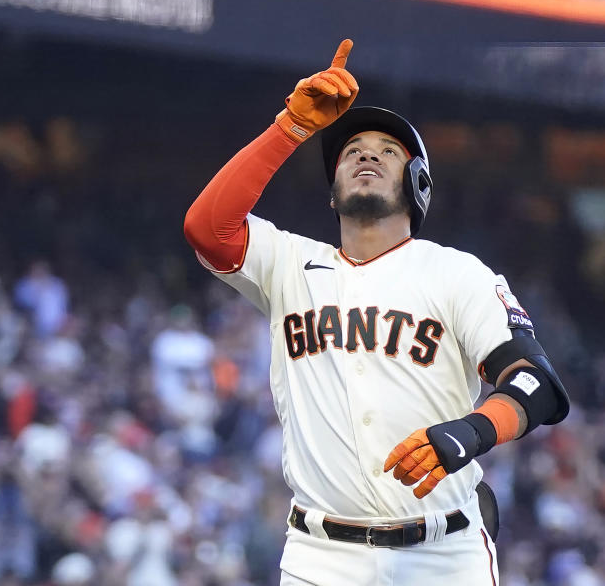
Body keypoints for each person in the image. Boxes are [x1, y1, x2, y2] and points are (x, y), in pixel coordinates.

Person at [184, 39, 570, 585]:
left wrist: (473, 431)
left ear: (418, 185)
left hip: (442, 553)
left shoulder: (457, 273)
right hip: (322, 557)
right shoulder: (290, 263)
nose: (366, 154)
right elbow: (207, 229)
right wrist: (291, 127)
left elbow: (538, 384)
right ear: (332, 193)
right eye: (351, 150)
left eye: (388, 151)